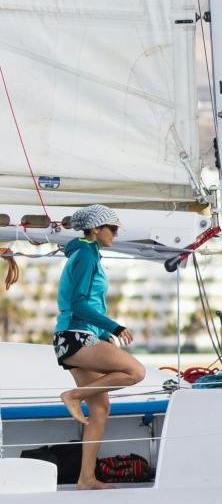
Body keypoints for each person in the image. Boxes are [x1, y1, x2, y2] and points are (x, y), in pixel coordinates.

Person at [53, 207, 144, 489]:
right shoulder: (85, 255)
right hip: (75, 336)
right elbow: (79, 304)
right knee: (135, 371)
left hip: (79, 336)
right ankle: (73, 395)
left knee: (101, 408)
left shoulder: (87, 253)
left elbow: (90, 303)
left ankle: (86, 479)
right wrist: (115, 327)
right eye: (112, 229)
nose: (115, 234)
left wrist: (105, 333)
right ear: (95, 229)